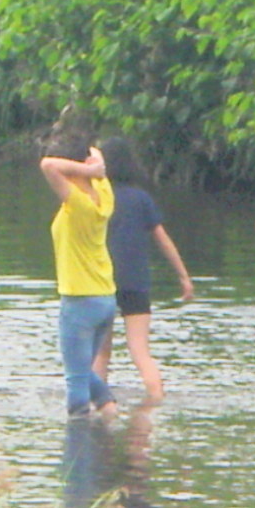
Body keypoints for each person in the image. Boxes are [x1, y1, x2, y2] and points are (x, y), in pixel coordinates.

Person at [93, 136, 193, 403]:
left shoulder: (96, 198)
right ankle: (156, 399)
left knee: (102, 353)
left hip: (101, 283)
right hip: (136, 283)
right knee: (140, 352)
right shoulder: (141, 199)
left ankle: (99, 407)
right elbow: (163, 239)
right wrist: (183, 276)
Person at [40, 136, 118, 419]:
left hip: (80, 301)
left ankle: (78, 446)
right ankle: (111, 416)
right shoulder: (104, 192)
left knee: (76, 380)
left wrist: (85, 170)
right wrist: (95, 168)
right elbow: (95, 151)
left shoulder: (77, 204)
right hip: (105, 298)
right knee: (83, 371)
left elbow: (48, 165)